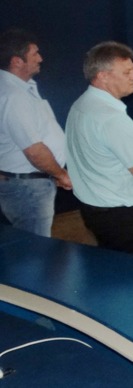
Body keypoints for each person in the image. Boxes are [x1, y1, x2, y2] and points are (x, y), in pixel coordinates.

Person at [65, 42, 133, 258]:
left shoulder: (80, 106)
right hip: (123, 217)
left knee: (113, 270)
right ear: (103, 76)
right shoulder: (112, 119)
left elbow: (107, 165)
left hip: (95, 210)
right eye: (127, 72)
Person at [0, 30, 70, 237]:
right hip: (28, 189)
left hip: (27, 183)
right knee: (34, 252)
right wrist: (61, 174)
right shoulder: (14, 96)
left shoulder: (18, 90)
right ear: (17, 61)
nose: (40, 58)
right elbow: (34, 150)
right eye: (35, 54)